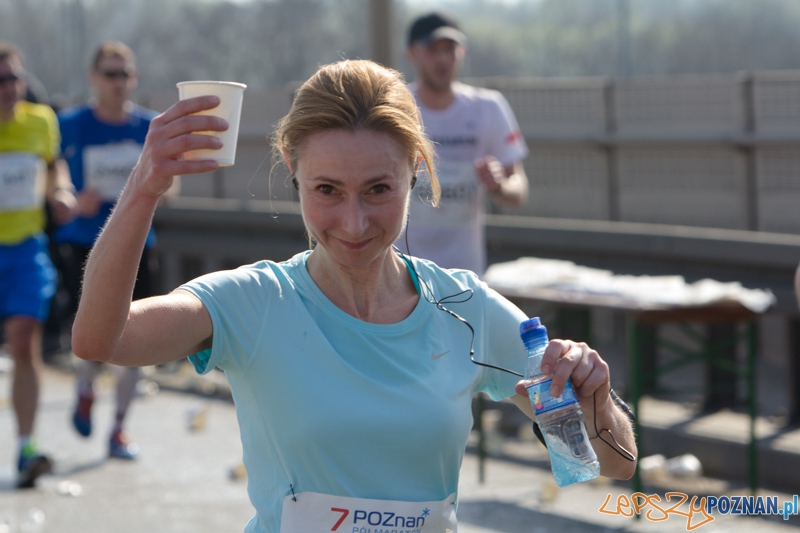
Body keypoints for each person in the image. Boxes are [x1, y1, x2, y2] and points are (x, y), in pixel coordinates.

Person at [72, 59, 636, 532]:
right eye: (326, 191)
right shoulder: (254, 302)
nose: (354, 221)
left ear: (416, 172)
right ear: (292, 170)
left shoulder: (465, 310)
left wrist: (595, 397)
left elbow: (606, 463)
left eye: (378, 189)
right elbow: (101, 339)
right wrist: (145, 185)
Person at [55, 41, 166, 460]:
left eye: (126, 74)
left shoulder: (149, 127)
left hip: (139, 245)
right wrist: (67, 194)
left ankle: (119, 428)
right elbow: (55, 171)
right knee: (94, 338)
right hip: (87, 242)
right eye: (110, 74)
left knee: (136, 339)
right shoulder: (71, 124)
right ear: (93, 78)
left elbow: (170, 185)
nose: (119, 82)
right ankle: (86, 386)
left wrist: (160, 189)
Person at [0, 41, 78, 488]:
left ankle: (26, 447)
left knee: (24, 340)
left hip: (26, 248)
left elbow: (53, 168)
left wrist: (61, 192)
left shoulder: (40, 121)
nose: (9, 88)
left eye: (14, 78)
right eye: (1, 81)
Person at [399, 12, 530, 276]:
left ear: (462, 52)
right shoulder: (395, 107)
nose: (443, 58)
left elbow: (519, 190)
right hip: (403, 275)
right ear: (411, 54)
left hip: (465, 278)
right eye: (433, 49)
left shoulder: (488, 107)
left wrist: (499, 186)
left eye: (450, 49)